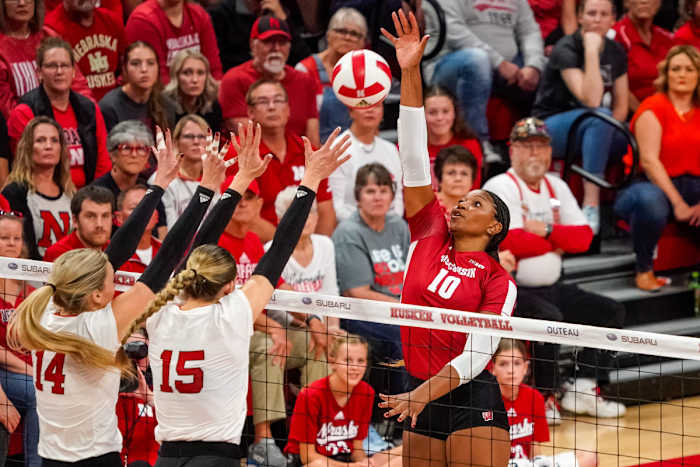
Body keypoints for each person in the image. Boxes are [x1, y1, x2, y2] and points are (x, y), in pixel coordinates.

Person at [120, 124, 350, 467]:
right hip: (217, 456)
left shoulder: (160, 314)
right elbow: (280, 252)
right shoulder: (233, 314)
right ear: (230, 285)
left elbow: (183, 251)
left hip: (167, 457)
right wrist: (311, 179)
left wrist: (234, 182)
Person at [6, 127, 226, 465]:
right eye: (111, 282)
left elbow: (116, 252)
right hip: (96, 458)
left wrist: (159, 184)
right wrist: (206, 189)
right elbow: (168, 259)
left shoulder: (47, 308)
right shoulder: (101, 326)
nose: (117, 285)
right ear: (95, 295)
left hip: (50, 457)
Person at [377, 11, 515, 466]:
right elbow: (414, 156)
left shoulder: (498, 279)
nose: (461, 204)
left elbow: (476, 356)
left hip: (467, 392)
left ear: (494, 227)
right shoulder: (430, 230)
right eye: (462, 199)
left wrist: (421, 396)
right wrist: (410, 70)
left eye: (477, 204)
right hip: (416, 388)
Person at [484, 117, 627, 418]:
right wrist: (560, 240)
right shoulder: (500, 186)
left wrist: (546, 231)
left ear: (550, 152)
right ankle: (544, 395)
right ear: (512, 151)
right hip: (512, 291)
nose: (535, 153)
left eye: (541, 146)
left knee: (609, 310)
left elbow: (586, 237)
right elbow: (511, 239)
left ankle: (583, 387)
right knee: (549, 318)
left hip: (552, 286)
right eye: (527, 146)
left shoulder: (556, 185)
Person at [532, 0, 629, 235]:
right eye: (591, 13)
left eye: (604, 14)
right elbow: (592, 100)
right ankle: (591, 205)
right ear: (580, 18)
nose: (597, 19)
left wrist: (610, 131)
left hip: (593, 127)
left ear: (613, 20)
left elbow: (622, 107)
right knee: (599, 118)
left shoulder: (616, 51)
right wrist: (592, 52)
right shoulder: (566, 47)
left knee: (617, 128)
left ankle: (622, 212)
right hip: (549, 126)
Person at [614, 45, 700, 291]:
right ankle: (644, 269)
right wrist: (679, 204)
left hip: (694, 186)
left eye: (689, 69)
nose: (682, 75)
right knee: (651, 200)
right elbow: (650, 162)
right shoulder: (653, 107)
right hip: (648, 185)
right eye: (676, 69)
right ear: (666, 74)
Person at [423, 0, 547, 162]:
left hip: (505, 66)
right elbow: (454, 32)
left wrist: (533, 65)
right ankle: (478, 143)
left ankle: (536, 143)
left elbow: (529, 31)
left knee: (549, 65)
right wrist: (498, 62)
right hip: (449, 64)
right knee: (477, 60)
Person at [232, 79, 335, 242]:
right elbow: (242, 216)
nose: (272, 106)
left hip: (308, 248)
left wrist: (314, 251)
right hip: (262, 249)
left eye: (278, 100)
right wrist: (284, 250)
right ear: (250, 112)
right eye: (263, 101)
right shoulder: (238, 152)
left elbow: (325, 211)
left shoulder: (310, 152)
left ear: (288, 109)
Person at [7, 36, 112, 189]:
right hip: (43, 193)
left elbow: (103, 164)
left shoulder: (89, 109)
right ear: (39, 73)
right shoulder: (25, 111)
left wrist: (91, 198)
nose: (59, 71)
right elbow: (26, 167)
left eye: (65, 65)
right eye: (51, 66)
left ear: (74, 71)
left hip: (86, 196)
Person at [286, 334, 402, 467]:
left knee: (404, 453)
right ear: (332, 362)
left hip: (346, 459)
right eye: (348, 360)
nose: (355, 367)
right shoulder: (310, 395)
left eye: (360, 361)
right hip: (312, 462)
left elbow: (356, 448)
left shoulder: (366, 392)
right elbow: (308, 457)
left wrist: (363, 463)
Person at [332, 163, 409, 361]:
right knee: (405, 337)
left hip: (401, 310)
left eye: (384, 191)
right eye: (370, 191)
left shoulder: (399, 226)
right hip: (362, 314)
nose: (378, 197)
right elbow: (357, 292)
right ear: (358, 197)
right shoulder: (348, 233)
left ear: (392, 196)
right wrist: (406, 308)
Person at [492, 339, 597, 467]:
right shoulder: (486, 401)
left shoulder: (534, 397)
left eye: (517, 363)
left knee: (589, 457)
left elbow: (535, 449)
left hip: (529, 465)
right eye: (503, 364)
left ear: (525, 367)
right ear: (493, 369)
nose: (511, 370)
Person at [218, 15, 320, 146]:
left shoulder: (305, 81)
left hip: (297, 160)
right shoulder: (234, 79)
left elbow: (312, 138)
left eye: (282, 42)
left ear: (290, 46)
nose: (276, 48)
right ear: (253, 45)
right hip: (251, 158)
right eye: (268, 42)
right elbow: (245, 135)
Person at [0, 0, 92, 120]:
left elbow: (78, 84)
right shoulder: (2, 49)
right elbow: (9, 111)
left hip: (66, 122)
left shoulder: (48, 36)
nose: (22, 3)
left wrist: (89, 114)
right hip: (25, 130)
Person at [2, 116, 75, 260]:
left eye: (54, 140)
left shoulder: (71, 194)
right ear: (28, 147)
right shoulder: (14, 193)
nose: (49, 146)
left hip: (68, 277)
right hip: (29, 278)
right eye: (40, 140)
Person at [0, 212, 40, 466]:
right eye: (4, 238)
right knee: (37, 391)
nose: (12, 243)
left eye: (17, 237)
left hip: (28, 369)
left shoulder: (31, 289)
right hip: (6, 371)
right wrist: (30, 369)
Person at [295, 7, 366, 141]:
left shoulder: (365, 72)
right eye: (341, 31)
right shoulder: (305, 70)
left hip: (355, 149)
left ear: (363, 43)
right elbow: (298, 123)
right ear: (328, 35)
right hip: (315, 150)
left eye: (355, 34)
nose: (347, 37)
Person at [92, 120, 167, 240]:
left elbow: (162, 235)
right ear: (112, 154)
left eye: (141, 148)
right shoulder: (96, 193)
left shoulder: (151, 191)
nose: (134, 155)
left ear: (148, 155)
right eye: (126, 148)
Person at [329, 104, 404, 222]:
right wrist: (368, 226)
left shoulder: (391, 149)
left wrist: (388, 225)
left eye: (376, 105)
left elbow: (398, 197)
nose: (370, 110)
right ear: (351, 110)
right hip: (350, 229)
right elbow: (336, 205)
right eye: (363, 105)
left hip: (389, 227)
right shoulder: (336, 149)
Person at [43, 0, 126, 101]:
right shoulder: (51, 29)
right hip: (78, 107)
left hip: (115, 106)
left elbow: (126, 69)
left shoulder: (112, 21)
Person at [125, 0, 223, 84]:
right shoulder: (143, 20)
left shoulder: (199, 15)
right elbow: (157, 79)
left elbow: (214, 70)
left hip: (194, 95)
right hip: (156, 99)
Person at [99, 41, 177, 133]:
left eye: (150, 63)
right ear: (124, 69)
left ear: (158, 68)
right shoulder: (109, 107)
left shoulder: (167, 105)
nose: (144, 69)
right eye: (135, 63)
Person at [150, 114, 212, 231]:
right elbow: (168, 230)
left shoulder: (216, 178)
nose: (196, 141)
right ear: (176, 141)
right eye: (189, 136)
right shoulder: (162, 179)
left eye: (202, 136)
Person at [612, 0, 675, 112]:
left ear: (659, 3)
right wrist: (644, 115)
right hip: (629, 115)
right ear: (626, 3)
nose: (644, 1)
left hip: (667, 111)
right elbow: (614, 86)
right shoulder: (615, 36)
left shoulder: (668, 38)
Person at [424, 86, 483, 190]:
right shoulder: (408, 147)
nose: (440, 118)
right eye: (432, 112)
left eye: (445, 111)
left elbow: (473, 189)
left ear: (454, 113)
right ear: (422, 115)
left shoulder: (470, 145)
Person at [163, 50, 223, 132]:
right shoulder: (163, 107)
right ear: (176, 76)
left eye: (200, 73)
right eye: (187, 73)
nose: (195, 80)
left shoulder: (212, 106)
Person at [115, 185, 162, 274]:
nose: (144, 212)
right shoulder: (107, 254)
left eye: (150, 206)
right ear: (119, 218)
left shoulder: (167, 252)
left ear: (157, 216)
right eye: (134, 208)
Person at [433, 145, 478, 222]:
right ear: (439, 178)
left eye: (464, 173)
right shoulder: (427, 204)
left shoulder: (479, 210)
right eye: (451, 173)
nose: (458, 178)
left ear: (472, 181)